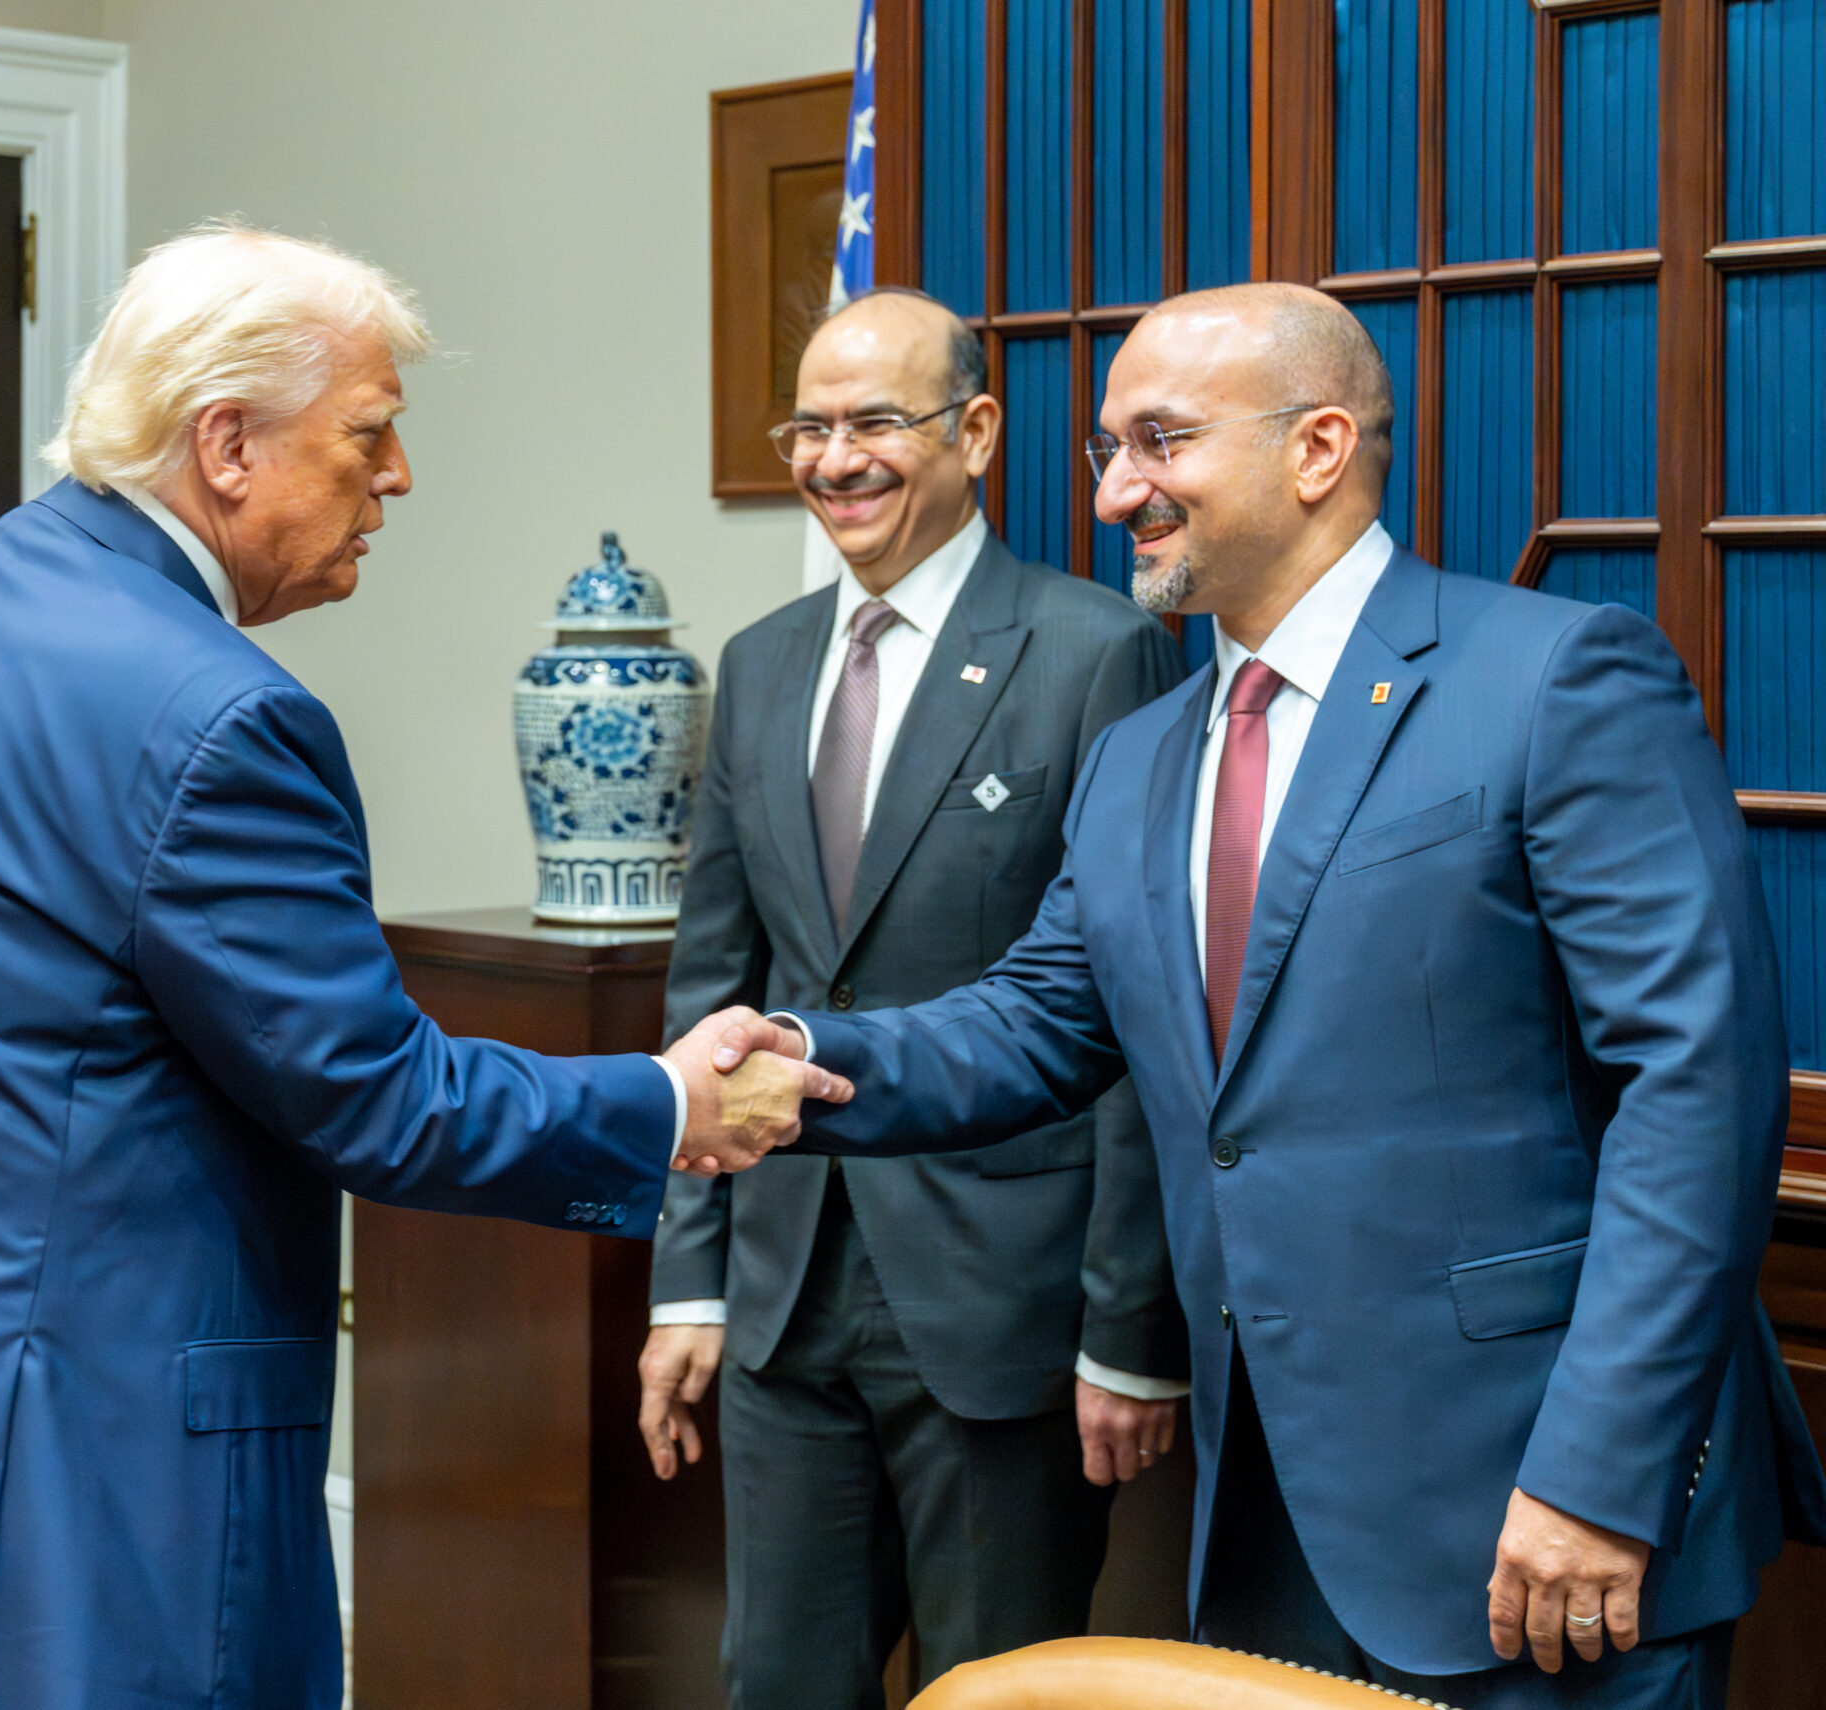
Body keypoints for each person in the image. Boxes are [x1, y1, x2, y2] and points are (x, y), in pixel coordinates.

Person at [0, 224, 842, 1710]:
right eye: (369, 433)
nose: (399, 477)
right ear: (228, 444)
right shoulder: (217, 715)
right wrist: (668, 1103)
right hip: (93, 1486)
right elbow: (377, 1099)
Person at [685, 282, 1826, 1708]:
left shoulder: (1552, 678)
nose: (1114, 493)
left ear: (1318, 449)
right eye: (1108, 449)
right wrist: (792, 1060)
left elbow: (1699, 1085)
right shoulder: (1144, 754)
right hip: (1271, 1520)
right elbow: (1034, 1021)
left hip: (1539, 1510)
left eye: (1158, 443)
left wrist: (1601, 1475)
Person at [636, 288, 1188, 1708]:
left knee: (995, 1689)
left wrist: (1128, 1327)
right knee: (775, 1683)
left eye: (875, 422)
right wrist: (689, 1280)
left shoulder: (1094, 649)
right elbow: (716, 987)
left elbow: (1129, 1016)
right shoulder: (759, 662)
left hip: (1002, 1299)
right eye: (808, 429)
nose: (835, 460)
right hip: (780, 1288)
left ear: (976, 432)